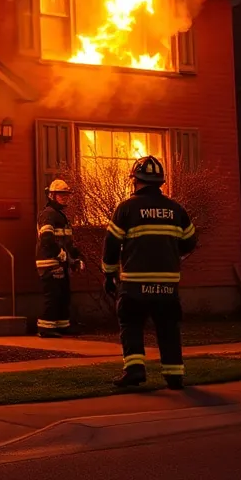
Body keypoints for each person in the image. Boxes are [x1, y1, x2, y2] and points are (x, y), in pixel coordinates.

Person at [101, 156, 197, 389]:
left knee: (131, 323)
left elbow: (111, 244)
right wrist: (173, 256)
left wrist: (109, 275)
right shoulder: (176, 209)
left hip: (135, 284)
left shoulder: (126, 208)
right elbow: (190, 241)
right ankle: (174, 375)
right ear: (160, 182)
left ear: (135, 180)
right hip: (167, 285)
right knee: (168, 327)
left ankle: (135, 370)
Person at [35, 178, 84, 337]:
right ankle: (45, 328)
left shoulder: (60, 216)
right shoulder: (48, 214)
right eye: (61, 195)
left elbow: (67, 242)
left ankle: (62, 325)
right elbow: (47, 239)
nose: (65, 197)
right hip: (50, 261)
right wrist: (60, 254)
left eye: (66, 195)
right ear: (51, 196)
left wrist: (76, 257)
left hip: (60, 261)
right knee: (53, 295)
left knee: (63, 294)